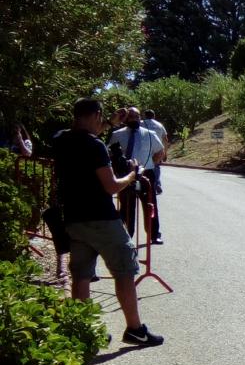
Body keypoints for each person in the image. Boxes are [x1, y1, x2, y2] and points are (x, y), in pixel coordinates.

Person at [53, 98, 163, 346]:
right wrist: (132, 174)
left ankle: (82, 330)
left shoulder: (60, 140)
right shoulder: (95, 147)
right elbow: (111, 185)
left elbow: (77, 132)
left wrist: (111, 122)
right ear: (95, 115)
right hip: (102, 219)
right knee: (124, 270)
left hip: (74, 218)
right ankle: (135, 329)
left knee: (81, 275)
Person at [108, 107, 165, 243]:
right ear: (126, 118)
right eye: (131, 116)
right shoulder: (117, 134)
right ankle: (127, 236)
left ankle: (154, 234)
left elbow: (160, 151)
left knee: (150, 205)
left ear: (140, 118)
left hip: (146, 174)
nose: (134, 119)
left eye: (137, 116)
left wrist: (152, 163)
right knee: (127, 206)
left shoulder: (150, 134)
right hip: (126, 175)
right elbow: (110, 152)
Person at [141, 110, 168, 193]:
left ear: (145, 116)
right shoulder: (160, 125)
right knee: (156, 167)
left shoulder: (141, 123)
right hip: (157, 149)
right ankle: (157, 184)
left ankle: (145, 185)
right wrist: (165, 153)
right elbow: (165, 139)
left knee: (143, 168)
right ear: (154, 116)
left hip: (144, 149)